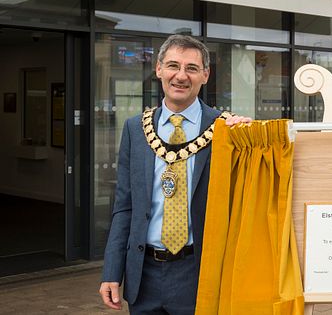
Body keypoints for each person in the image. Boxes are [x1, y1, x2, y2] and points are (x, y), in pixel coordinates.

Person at [99, 34, 250, 313]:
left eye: (191, 68)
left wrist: (251, 140)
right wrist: (111, 271)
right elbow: (125, 207)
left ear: (205, 75)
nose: (181, 76)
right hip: (144, 276)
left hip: (199, 273)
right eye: (173, 66)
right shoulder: (136, 128)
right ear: (158, 70)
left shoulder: (227, 130)